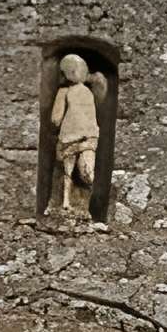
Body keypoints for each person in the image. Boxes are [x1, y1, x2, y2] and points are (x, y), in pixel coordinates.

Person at [50, 53, 106, 214]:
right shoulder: (88, 92)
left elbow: (55, 118)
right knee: (88, 172)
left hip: (70, 136)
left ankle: (66, 203)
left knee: (67, 172)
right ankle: (83, 205)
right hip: (89, 136)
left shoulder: (64, 92)